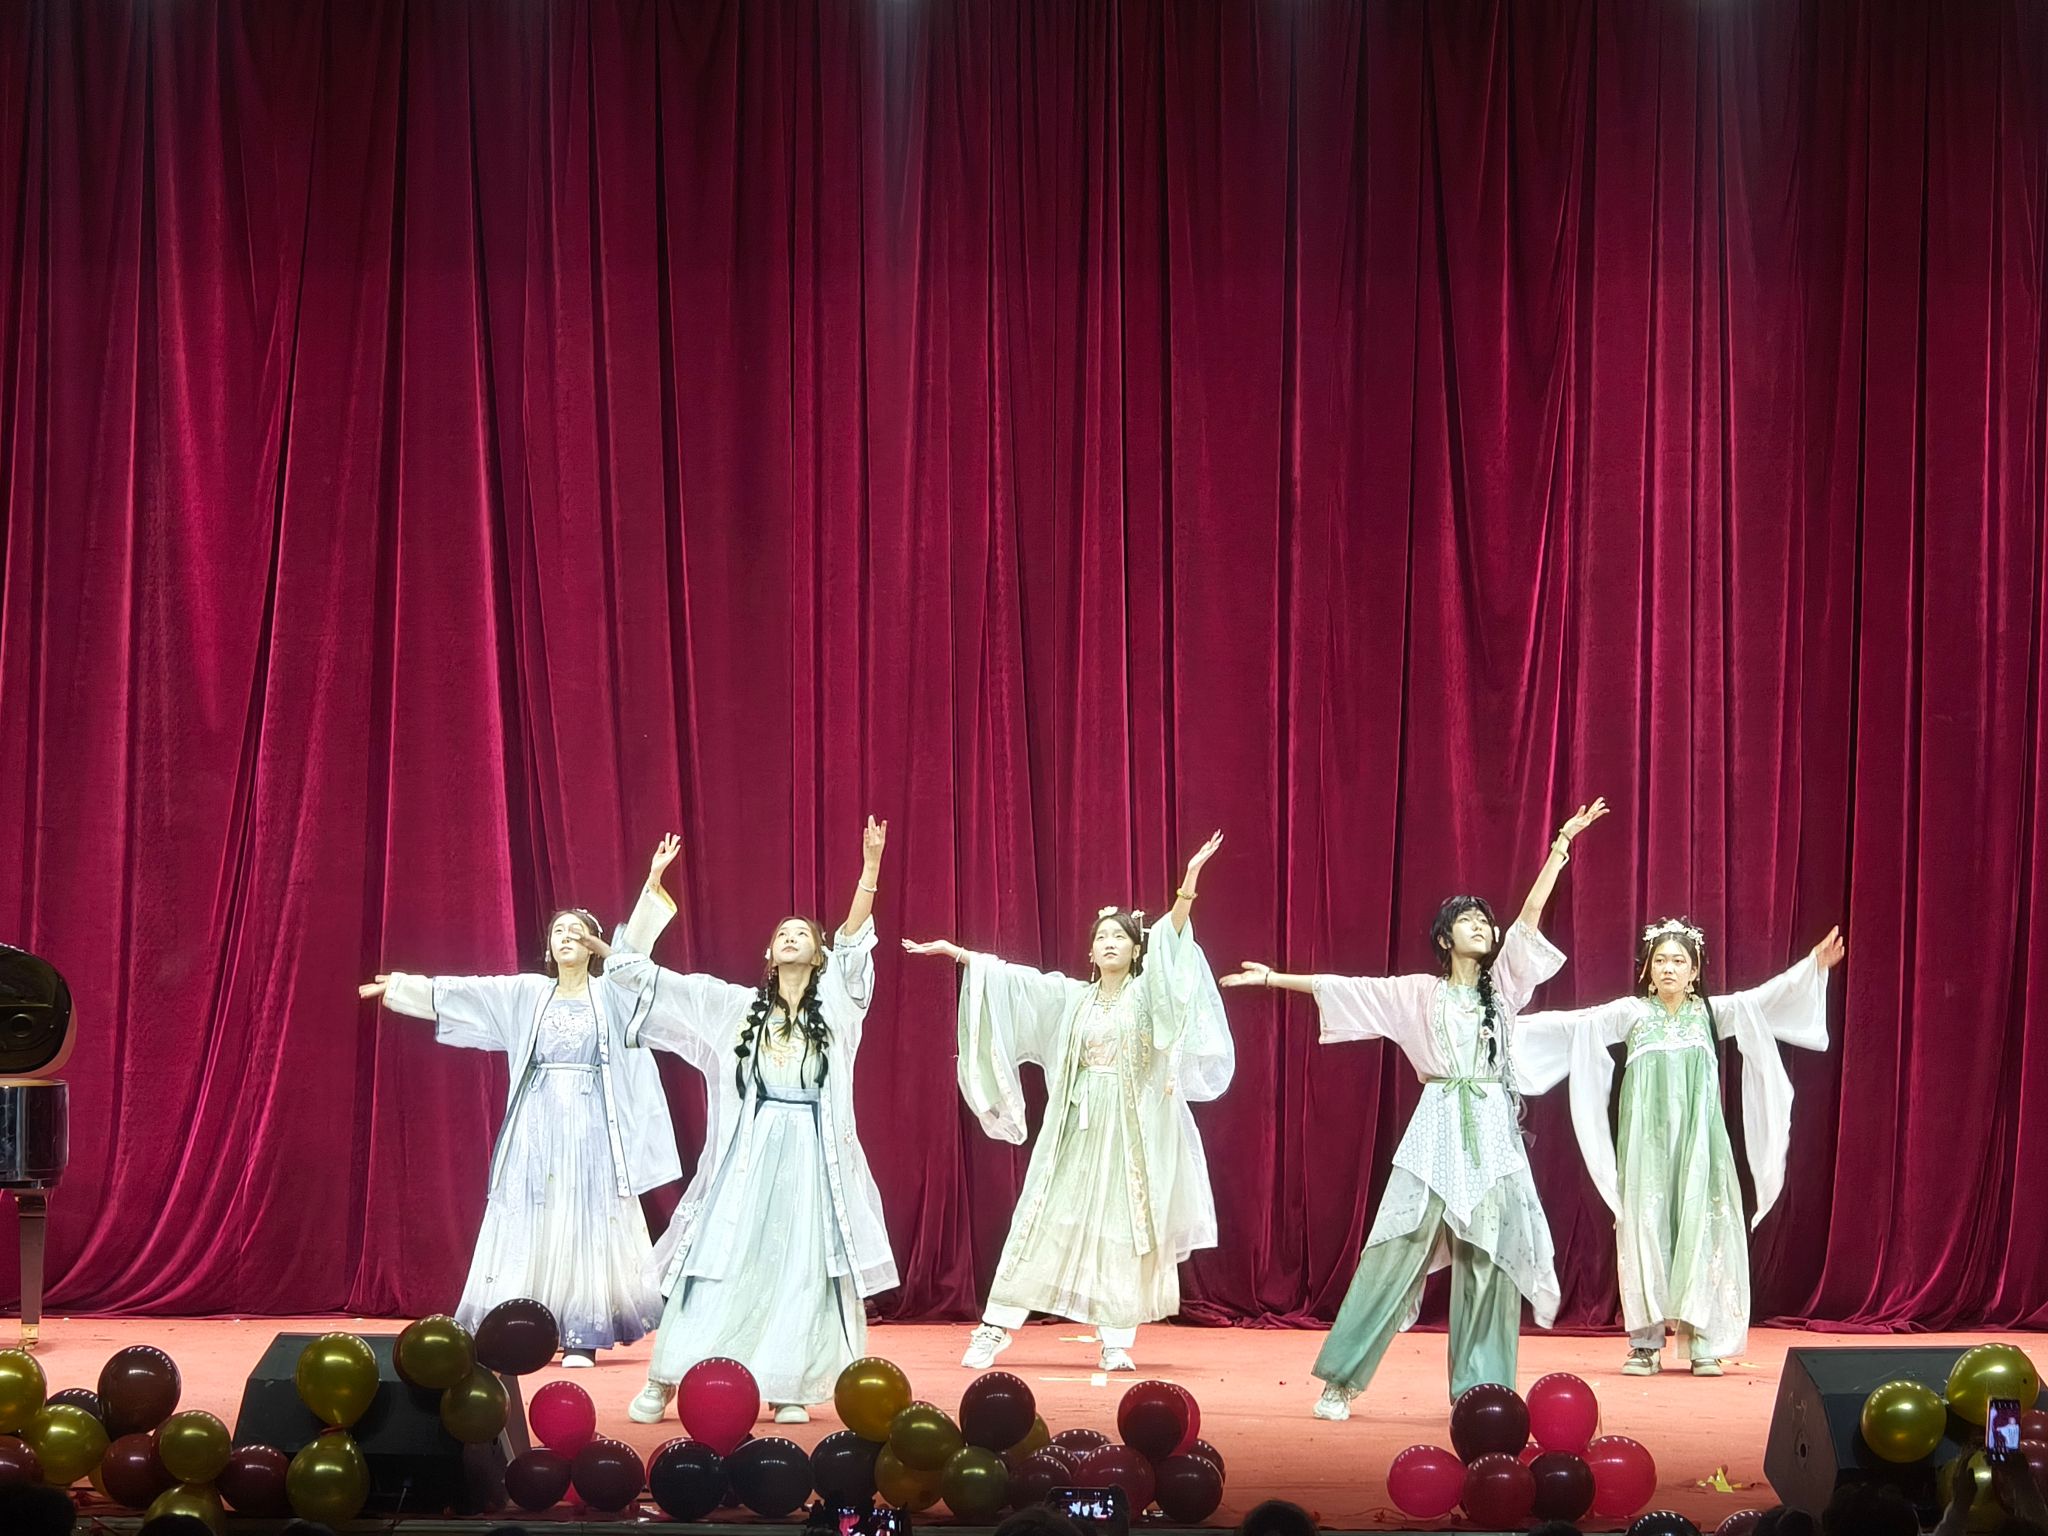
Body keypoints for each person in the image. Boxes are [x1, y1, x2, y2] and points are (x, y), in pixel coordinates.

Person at [1223, 799, 1608, 1417]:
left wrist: (1560, 848)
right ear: (1445, 938)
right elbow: (1346, 988)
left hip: (1492, 1130)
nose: (1482, 925)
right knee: (1396, 1248)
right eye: (1468, 920)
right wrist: (1274, 979)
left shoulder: (1504, 989)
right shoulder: (1417, 994)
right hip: (1436, 1126)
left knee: (1488, 1259)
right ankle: (1341, 1379)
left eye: (1485, 920)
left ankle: (1481, 1392)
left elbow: (1529, 920)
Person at [903, 832, 1233, 1373]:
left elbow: (1172, 945)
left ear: (1136, 950)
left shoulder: (1145, 997)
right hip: (1076, 1126)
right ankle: (994, 1327)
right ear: (1091, 951)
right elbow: (1018, 981)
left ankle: (1116, 1337)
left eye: (1120, 937)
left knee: (1122, 1227)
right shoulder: (1074, 998)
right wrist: (959, 955)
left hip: (1129, 1130)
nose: (1110, 943)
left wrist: (1188, 884)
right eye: (1102, 937)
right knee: (1042, 1217)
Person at [608, 818, 898, 1426]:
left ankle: (787, 1383)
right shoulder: (735, 1007)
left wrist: (869, 870)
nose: (791, 937)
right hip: (749, 1153)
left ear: (817, 954)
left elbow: (854, 943)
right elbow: (641, 976)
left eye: (802, 933)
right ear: (769, 953)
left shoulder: (837, 1008)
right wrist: (652, 891)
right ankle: (667, 1376)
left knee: (801, 1264)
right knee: (719, 1258)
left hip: (812, 1156)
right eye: (782, 934)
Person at [360, 837, 686, 1365]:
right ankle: (518, 1327)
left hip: (591, 1123)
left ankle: (582, 1331)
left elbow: (633, 957)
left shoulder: (611, 995)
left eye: (577, 932)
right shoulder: (528, 994)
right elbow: (468, 993)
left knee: (585, 1213)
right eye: (558, 932)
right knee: (531, 1213)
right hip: (536, 1122)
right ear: (549, 947)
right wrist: (403, 988)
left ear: (593, 946)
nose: (566, 938)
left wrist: (652, 883)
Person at [1517, 919, 1842, 1375]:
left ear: (1694, 971)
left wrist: (1812, 968)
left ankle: (1701, 1339)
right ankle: (1644, 1342)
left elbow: (1765, 1000)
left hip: (1700, 1145)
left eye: (1679, 961)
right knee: (1644, 1228)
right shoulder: (1631, 1014)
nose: (1669, 968)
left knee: (1702, 1227)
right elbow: (1572, 1026)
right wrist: (1503, 1029)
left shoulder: (1712, 1013)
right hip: (1644, 1147)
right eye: (1661, 960)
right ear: (1648, 970)